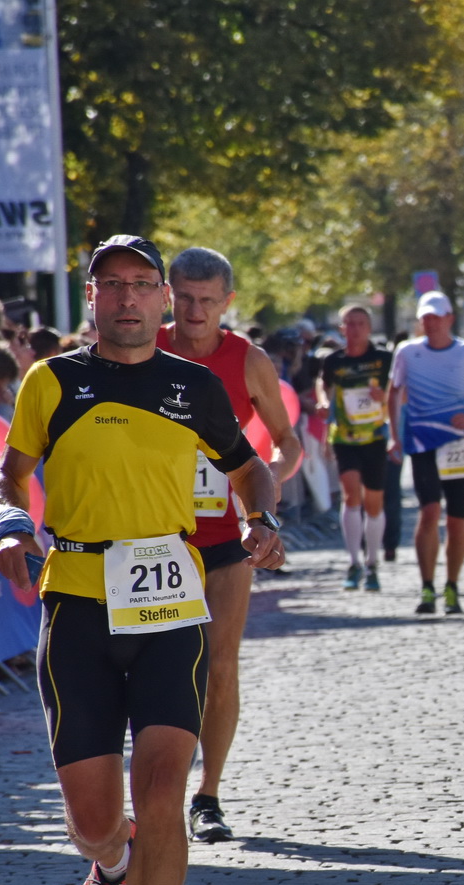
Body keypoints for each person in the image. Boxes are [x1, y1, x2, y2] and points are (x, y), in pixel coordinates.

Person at [0, 234, 284, 885]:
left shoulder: (193, 384)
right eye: (111, 284)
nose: (127, 298)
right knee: (92, 820)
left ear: (160, 298)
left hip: (168, 604)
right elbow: (9, 469)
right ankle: (110, 864)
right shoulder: (52, 381)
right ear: (90, 297)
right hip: (79, 600)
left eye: (141, 284)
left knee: (162, 790)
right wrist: (13, 519)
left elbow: (245, 462)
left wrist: (261, 514)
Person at [157, 247, 302, 846]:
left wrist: (264, 492)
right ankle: (152, 789)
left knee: (220, 666)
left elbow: (288, 442)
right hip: (152, 536)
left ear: (227, 302)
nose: (195, 311)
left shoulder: (248, 360)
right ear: (170, 294)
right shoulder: (145, 345)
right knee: (158, 669)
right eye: (185, 298)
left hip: (225, 537)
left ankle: (207, 795)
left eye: (207, 301)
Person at [390, 291, 464, 613]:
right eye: (425, 317)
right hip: (422, 443)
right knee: (428, 513)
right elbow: (393, 392)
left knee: (456, 520)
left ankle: (452, 586)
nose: (430, 323)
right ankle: (427, 588)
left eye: (436, 317)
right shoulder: (407, 352)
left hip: (457, 444)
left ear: (449, 319)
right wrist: (394, 437)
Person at [319, 304, 393, 590]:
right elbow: (323, 387)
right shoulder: (333, 361)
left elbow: (400, 394)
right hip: (344, 437)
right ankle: (353, 563)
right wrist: (324, 407)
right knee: (351, 495)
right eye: (349, 324)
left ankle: (373, 563)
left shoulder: (384, 359)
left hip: (375, 436)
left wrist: (382, 396)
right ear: (341, 329)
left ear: (369, 328)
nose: (355, 329)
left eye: (360, 323)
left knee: (373, 502)